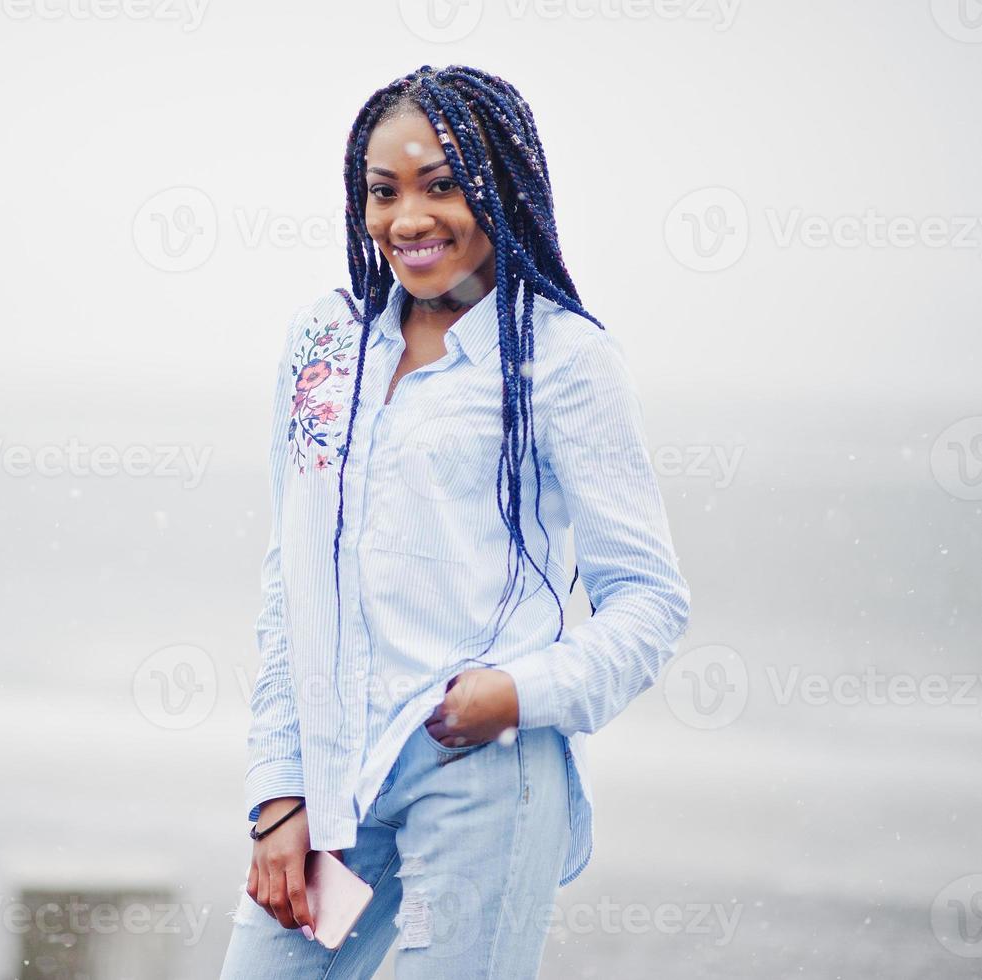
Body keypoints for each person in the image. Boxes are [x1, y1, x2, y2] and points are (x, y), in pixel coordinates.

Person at [217, 65, 692, 978]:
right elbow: (295, 582)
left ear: (500, 186)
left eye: (442, 185)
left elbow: (647, 602)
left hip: (478, 772)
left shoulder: (563, 359)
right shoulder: (324, 343)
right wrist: (278, 795)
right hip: (333, 785)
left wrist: (516, 692)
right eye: (383, 191)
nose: (408, 219)